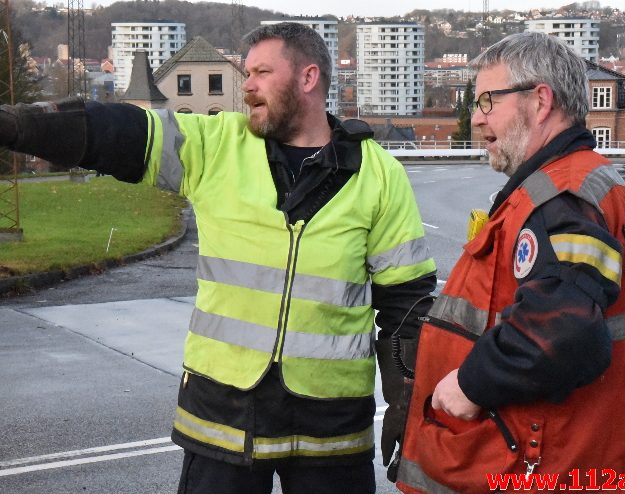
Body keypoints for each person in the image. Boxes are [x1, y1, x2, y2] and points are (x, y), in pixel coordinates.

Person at [0, 22, 436, 493]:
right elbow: (117, 131)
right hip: (223, 421)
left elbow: (406, 305)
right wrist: (17, 126)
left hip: (330, 431)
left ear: (308, 78)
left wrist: (409, 401)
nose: (246, 85)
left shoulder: (380, 175)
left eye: (262, 72)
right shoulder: (214, 146)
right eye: (246, 73)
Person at [393, 32, 625, 493]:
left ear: (540, 100)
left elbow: (567, 331)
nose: (477, 119)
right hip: (592, 460)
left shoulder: (559, 197)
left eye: (487, 101)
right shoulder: (588, 180)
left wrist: (469, 384)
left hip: (552, 468)